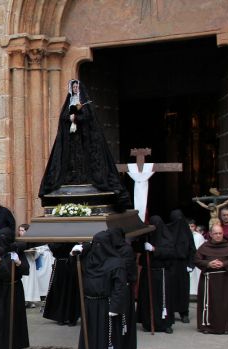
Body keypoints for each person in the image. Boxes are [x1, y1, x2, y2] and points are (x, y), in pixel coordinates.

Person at [38, 79, 131, 211]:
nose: (75, 88)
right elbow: (63, 118)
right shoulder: (69, 102)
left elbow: (88, 118)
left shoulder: (84, 102)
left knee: (84, 160)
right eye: (73, 86)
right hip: (71, 141)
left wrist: (76, 117)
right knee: (71, 161)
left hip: (84, 141)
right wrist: (69, 117)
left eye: (77, 86)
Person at [70, 231, 127, 349]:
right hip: (89, 302)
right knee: (87, 335)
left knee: (103, 335)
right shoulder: (90, 258)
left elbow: (119, 287)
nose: (96, 247)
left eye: (99, 244)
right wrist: (75, 253)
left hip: (105, 304)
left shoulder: (116, 263)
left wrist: (115, 306)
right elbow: (75, 267)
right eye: (94, 244)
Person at [195, 224, 228, 334]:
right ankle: (207, 327)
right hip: (208, 280)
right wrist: (208, 264)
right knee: (208, 303)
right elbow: (196, 260)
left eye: (220, 233)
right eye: (215, 233)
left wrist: (224, 264)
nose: (218, 235)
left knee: (223, 303)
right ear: (210, 234)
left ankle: (224, 327)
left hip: (224, 279)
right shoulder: (205, 247)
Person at [136, 215, 177, 334]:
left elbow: (171, 252)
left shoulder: (167, 237)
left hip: (162, 273)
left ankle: (165, 324)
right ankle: (149, 323)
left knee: (163, 299)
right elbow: (138, 248)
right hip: (148, 272)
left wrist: (154, 249)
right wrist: (143, 246)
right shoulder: (146, 236)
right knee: (148, 298)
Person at [0, 227, 30, 349]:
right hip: (1, 288)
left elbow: (25, 269)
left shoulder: (16, 250)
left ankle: (14, 344)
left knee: (14, 315)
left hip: (15, 287)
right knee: (1, 316)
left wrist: (18, 262)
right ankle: (0, 343)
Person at [108, 227, 138, 349]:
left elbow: (129, 271)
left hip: (123, 289)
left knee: (124, 324)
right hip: (113, 290)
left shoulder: (126, 250)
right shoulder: (108, 248)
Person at [166, 210, 195, 323]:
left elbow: (192, 249)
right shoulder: (168, 230)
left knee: (183, 290)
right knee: (171, 290)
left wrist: (190, 264)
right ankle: (171, 312)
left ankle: (184, 313)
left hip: (183, 265)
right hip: (171, 264)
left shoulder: (186, 232)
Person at [42, 243, 80, 326]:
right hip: (60, 266)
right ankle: (61, 316)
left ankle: (71, 317)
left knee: (71, 291)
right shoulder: (57, 240)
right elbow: (53, 248)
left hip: (71, 265)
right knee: (59, 291)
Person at [188, 219, 205, 298]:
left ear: (195, 227)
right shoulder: (182, 235)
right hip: (187, 260)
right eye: (189, 226)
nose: (190, 228)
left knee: (196, 276)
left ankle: (196, 293)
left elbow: (200, 249)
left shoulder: (198, 236)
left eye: (192, 226)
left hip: (196, 259)